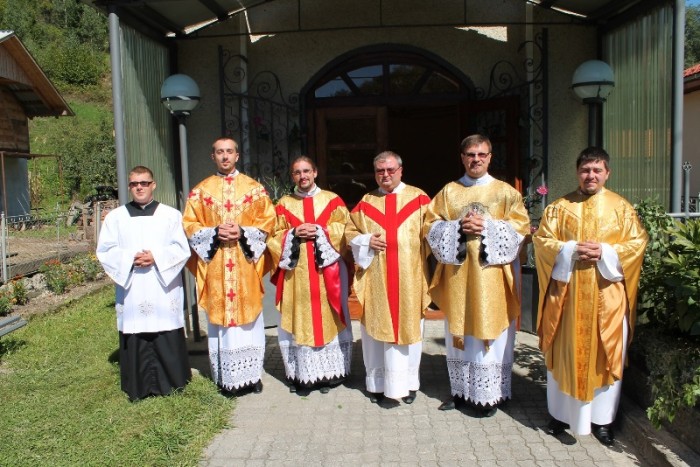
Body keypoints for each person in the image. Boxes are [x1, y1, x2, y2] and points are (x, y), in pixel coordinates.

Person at [533, 147, 648, 445]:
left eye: (597, 170)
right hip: (568, 299)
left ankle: (602, 421)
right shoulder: (559, 207)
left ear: (607, 173)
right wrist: (568, 250)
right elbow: (543, 241)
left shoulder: (621, 208)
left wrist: (606, 252)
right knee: (564, 351)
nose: (591, 175)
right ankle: (560, 414)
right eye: (585, 170)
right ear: (577, 172)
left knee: (605, 355)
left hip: (606, 298)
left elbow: (637, 244)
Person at [424, 134, 530, 416]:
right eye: (471, 154)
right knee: (459, 333)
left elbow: (521, 229)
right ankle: (460, 392)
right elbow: (430, 227)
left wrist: (487, 227)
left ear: (490, 157)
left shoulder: (505, 192)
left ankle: (493, 393)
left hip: (492, 279)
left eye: (482, 154)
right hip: (459, 277)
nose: (476, 159)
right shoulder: (449, 192)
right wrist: (458, 227)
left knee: (490, 333)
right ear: (462, 158)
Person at [182, 137, 275, 395]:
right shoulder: (201, 191)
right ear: (213, 156)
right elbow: (189, 225)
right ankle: (226, 377)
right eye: (220, 152)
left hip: (244, 266)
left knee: (249, 320)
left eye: (229, 152)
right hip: (218, 268)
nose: (225, 157)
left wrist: (243, 232)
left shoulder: (254, 189)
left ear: (237, 156)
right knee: (221, 321)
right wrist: (214, 233)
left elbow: (269, 222)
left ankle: (252, 375)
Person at [96, 165, 192, 402]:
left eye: (144, 183)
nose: (139, 187)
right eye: (134, 184)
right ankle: (138, 385)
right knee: (136, 329)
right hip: (134, 288)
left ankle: (172, 383)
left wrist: (155, 257)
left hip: (163, 287)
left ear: (153, 185)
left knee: (165, 328)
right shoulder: (116, 218)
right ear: (129, 187)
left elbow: (181, 248)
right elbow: (105, 250)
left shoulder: (171, 215)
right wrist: (129, 258)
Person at [345, 151, 431, 404]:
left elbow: (433, 231)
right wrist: (365, 240)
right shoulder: (367, 201)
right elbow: (350, 231)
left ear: (401, 171)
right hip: (377, 278)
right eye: (380, 171)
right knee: (375, 329)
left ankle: (407, 384)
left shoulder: (419, 199)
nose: (385, 175)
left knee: (409, 328)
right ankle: (378, 384)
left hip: (409, 277)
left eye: (391, 170)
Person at [267, 156, 353, 394]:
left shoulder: (332, 200)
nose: (302, 176)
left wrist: (322, 230)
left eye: (306, 171)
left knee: (328, 315)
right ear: (292, 176)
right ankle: (303, 376)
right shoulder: (284, 204)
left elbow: (346, 230)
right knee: (301, 317)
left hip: (329, 274)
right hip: (297, 275)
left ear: (315, 172)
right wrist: (293, 234)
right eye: (297, 172)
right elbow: (273, 237)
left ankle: (329, 375)